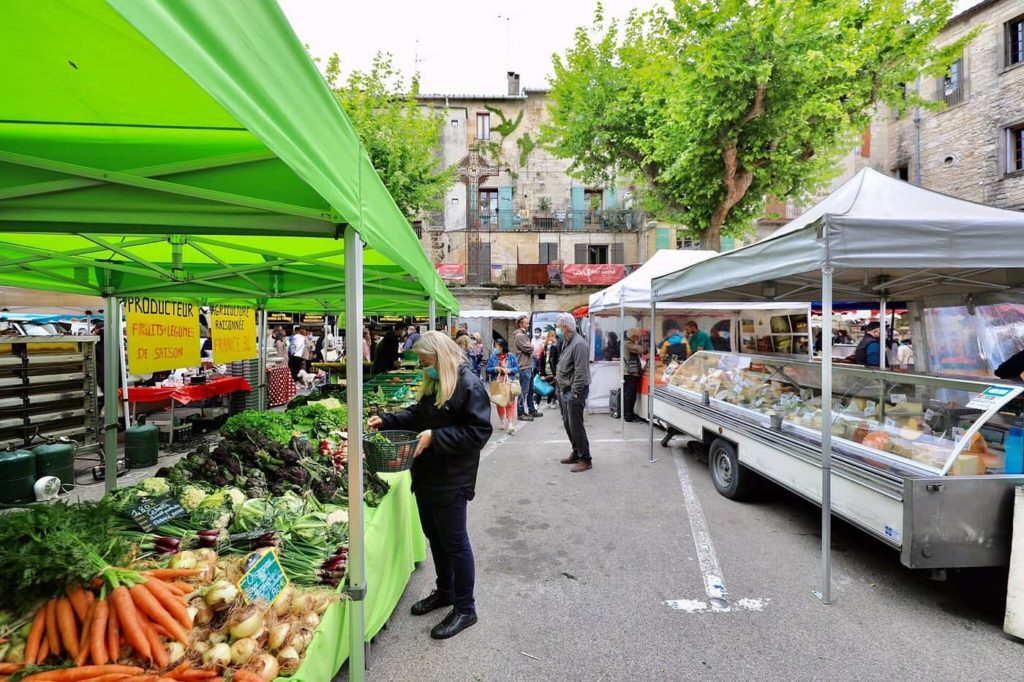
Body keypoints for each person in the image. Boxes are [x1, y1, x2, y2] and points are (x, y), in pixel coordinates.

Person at [367, 331, 492, 640]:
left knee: (455, 543)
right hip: (427, 476)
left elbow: (478, 432)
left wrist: (435, 437)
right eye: (422, 364)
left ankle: (466, 608)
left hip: (452, 478)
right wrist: (388, 419)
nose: (425, 368)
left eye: (426, 362)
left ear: (441, 357)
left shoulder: (469, 386)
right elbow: (419, 414)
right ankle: (445, 591)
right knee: (434, 536)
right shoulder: (436, 382)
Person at [555, 313, 592, 472]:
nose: (558, 329)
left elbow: (581, 371)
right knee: (568, 423)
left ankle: (586, 459)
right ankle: (576, 452)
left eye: (559, 326)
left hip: (574, 391)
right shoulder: (567, 341)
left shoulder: (579, 344)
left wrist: (575, 392)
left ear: (565, 327)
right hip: (564, 389)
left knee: (576, 426)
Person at [486, 338, 520, 432]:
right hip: (497, 382)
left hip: (509, 382)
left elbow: (517, 368)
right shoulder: (493, 356)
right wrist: (496, 369)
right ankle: (502, 421)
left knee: (510, 402)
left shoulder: (511, 356)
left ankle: (510, 423)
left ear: (502, 346)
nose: (495, 348)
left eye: (497, 346)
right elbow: (488, 369)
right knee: (499, 402)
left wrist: (510, 370)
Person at [511, 315, 540, 421]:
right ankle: (521, 413)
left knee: (531, 390)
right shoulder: (519, 335)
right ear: (520, 323)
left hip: (528, 365)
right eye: (526, 323)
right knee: (524, 391)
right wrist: (531, 346)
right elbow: (528, 348)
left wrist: (530, 346)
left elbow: (529, 347)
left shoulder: (523, 334)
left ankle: (531, 410)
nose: (528, 325)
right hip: (523, 366)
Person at [622, 329, 644, 422]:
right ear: (632, 336)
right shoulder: (628, 344)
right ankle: (628, 416)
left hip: (630, 373)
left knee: (630, 395)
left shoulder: (629, 343)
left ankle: (628, 413)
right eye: (636, 337)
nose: (637, 338)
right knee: (630, 395)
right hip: (629, 373)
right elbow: (641, 349)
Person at [537, 331, 560, 408]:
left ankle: (549, 402)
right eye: (550, 336)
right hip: (544, 370)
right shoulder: (544, 347)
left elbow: (557, 360)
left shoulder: (555, 348)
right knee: (541, 387)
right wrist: (541, 372)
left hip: (552, 370)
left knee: (552, 387)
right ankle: (537, 403)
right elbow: (541, 361)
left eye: (553, 336)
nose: (552, 338)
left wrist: (556, 372)